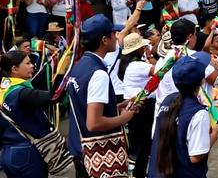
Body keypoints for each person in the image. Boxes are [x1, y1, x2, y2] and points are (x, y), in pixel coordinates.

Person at [66, 15, 138, 178]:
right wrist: (125, 117)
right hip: (96, 153)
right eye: (114, 34)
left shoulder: (80, 65)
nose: (117, 37)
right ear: (105, 39)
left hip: (80, 149)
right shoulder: (98, 74)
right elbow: (94, 123)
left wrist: (117, 107)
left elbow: (83, 106)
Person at [149, 51, 218, 178]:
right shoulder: (198, 113)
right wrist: (216, 132)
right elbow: (195, 156)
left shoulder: (168, 100)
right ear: (202, 81)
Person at [0, 50, 59, 178]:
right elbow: (54, 96)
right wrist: (63, 72)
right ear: (14, 69)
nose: (32, 66)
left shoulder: (4, 88)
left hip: (7, 153)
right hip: (26, 154)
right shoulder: (21, 93)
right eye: (27, 63)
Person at [119, 33, 156, 178]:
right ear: (140, 49)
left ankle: (137, 172)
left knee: (138, 144)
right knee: (144, 144)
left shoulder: (128, 64)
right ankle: (139, 173)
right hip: (143, 106)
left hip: (134, 105)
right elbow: (158, 72)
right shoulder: (138, 65)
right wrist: (151, 56)